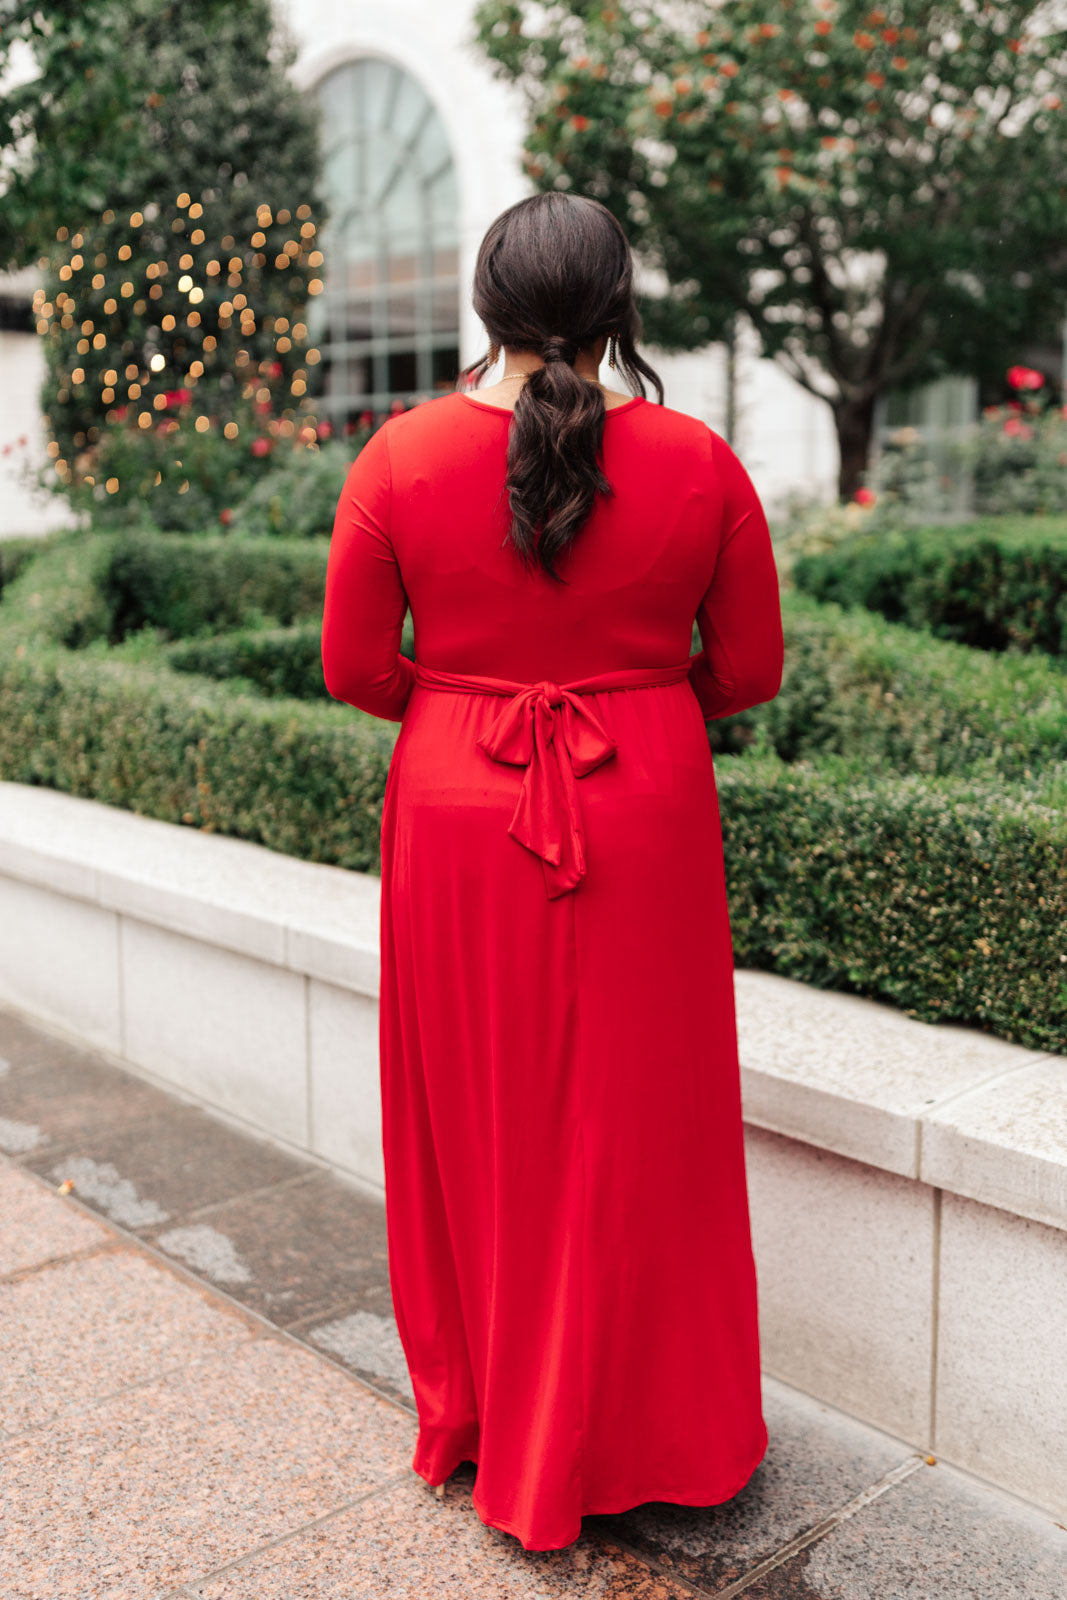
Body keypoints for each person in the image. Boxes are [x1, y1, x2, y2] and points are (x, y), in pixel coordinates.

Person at [320, 190, 785, 1553]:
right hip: (639, 799)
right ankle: (661, 1432)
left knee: (480, 1116)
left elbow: (355, 669)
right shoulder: (700, 463)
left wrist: (470, 703)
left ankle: (494, 1423)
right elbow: (746, 673)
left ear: (486, 307)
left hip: (459, 805)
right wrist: (629, 693)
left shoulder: (396, 459)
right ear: (619, 312)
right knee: (649, 1122)